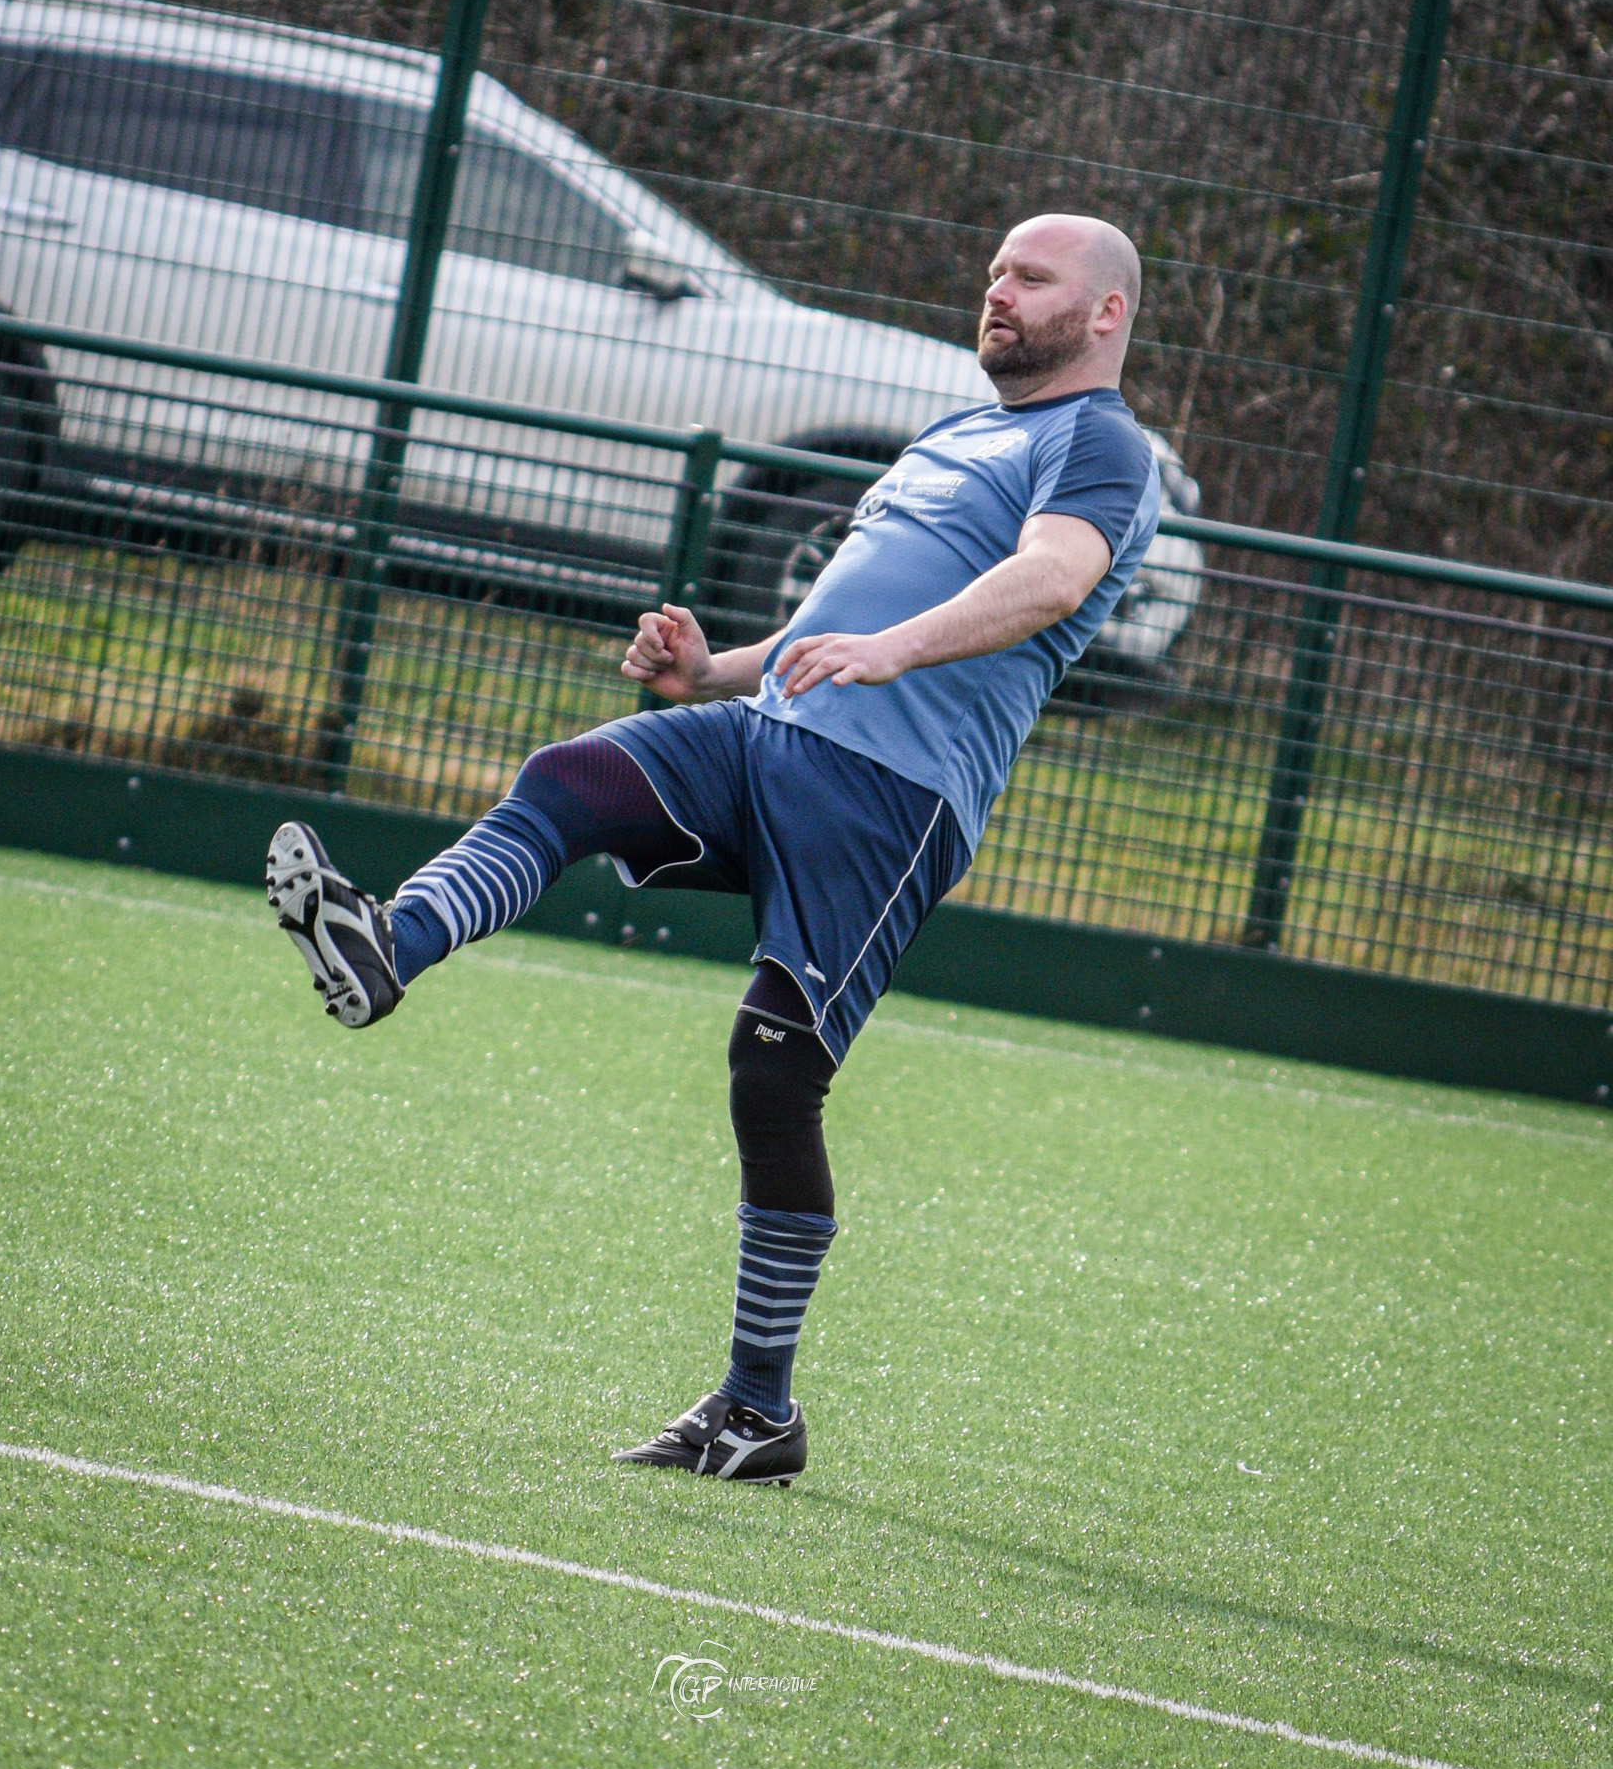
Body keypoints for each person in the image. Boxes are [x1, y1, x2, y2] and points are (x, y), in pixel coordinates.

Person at [266, 212, 1161, 1486]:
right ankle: (387, 944)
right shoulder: (955, 430)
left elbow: (1053, 579)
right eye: (993, 271)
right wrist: (709, 671)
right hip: (768, 726)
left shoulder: (1101, 445)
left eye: (1030, 277)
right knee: (571, 776)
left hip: (892, 797)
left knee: (772, 1070)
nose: (996, 290)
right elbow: (830, 622)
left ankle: (758, 1409)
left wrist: (898, 650)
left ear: (1107, 312)